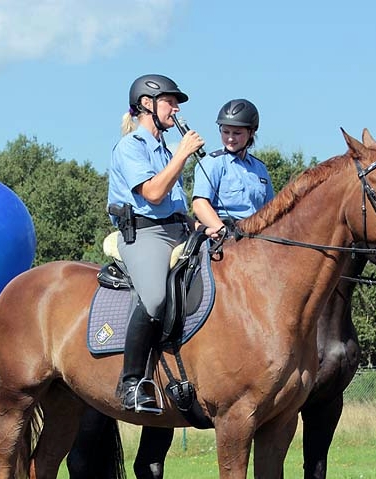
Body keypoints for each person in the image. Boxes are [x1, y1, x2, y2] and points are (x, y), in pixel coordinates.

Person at [107, 74, 206, 412]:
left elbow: (175, 204)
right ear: (146, 104)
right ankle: (131, 382)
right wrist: (183, 154)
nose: (176, 109)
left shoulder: (165, 149)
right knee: (154, 298)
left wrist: (202, 227)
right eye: (170, 102)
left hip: (178, 230)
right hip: (146, 234)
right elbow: (152, 193)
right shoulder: (130, 146)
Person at [192, 98, 274, 235]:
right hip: (223, 234)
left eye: (237, 133)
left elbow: (270, 209)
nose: (230, 138)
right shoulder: (212, 163)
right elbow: (200, 204)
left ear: (251, 132)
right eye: (225, 132)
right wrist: (224, 232)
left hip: (258, 235)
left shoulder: (260, 168)